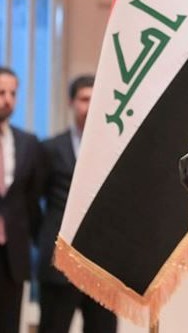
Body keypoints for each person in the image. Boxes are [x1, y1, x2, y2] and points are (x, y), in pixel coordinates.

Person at [36, 75, 117, 333]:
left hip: (101, 265)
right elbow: (31, 202)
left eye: (95, 99)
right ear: (71, 102)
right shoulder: (50, 149)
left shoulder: (112, 148)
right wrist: (45, 236)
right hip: (59, 263)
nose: (89, 106)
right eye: (84, 99)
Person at [0, 67, 45, 333]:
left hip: (12, 256)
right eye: (1, 93)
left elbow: (31, 200)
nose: (8, 100)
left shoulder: (28, 142)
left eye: (12, 93)